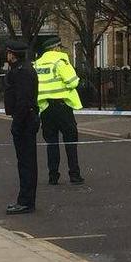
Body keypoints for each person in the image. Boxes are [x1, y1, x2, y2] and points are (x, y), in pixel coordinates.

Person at [34, 35, 84, 185]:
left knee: (52, 143)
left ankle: (53, 176)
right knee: (70, 141)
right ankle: (74, 174)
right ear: (56, 48)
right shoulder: (60, 61)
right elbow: (73, 82)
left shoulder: (36, 64)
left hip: (46, 108)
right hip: (62, 107)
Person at [3, 39, 40, 215]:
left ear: (13, 55)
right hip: (24, 119)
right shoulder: (18, 69)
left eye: (8, 53)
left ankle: (26, 202)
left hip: (25, 120)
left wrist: (16, 125)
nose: (7, 55)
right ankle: (24, 200)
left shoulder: (24, 71)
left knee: (27, 163)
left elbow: (24, 101)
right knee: (24, 162)